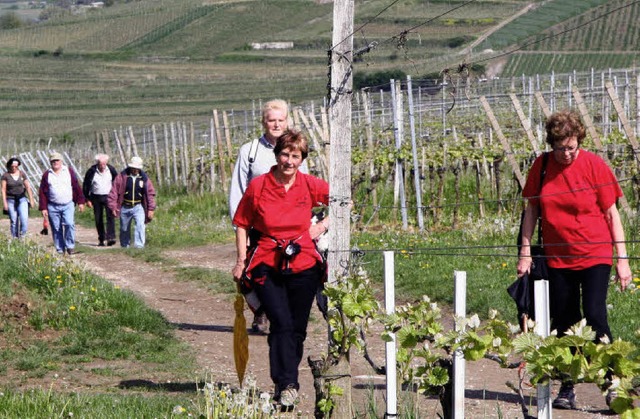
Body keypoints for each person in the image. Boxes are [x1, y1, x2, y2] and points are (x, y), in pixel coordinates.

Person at [516, 110, 632, 410]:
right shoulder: (541, 167)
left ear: (578, 140)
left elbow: (612, 214)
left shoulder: (594, 165)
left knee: (595, 317)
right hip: (557, 258)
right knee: (565, 322)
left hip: (595, 254)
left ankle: (613, 384)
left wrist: (623, 260)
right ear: (551, 143)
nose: (566, 154)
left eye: (572, 147)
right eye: (560, 148)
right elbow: (531, 211)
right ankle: (568, 386)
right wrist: (525, 252)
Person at [231, 130, 329, 407]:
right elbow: (241, 223)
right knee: (281, 323)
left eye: (295, 156)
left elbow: (345, 201)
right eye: (285, 154)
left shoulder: (310, 185)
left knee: (297, 328)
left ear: (302, 159)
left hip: (305, 263)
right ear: (276, 155)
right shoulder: (259, 186)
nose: (289, 161)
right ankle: (288, 384)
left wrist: (320, 226)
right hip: (266, 263)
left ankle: (283, 385)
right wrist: (241, 261)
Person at [229, 99, 310, 334]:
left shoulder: (296, 151)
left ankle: (281, 316)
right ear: (263, 122)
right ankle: (261, 310)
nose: (276, 124)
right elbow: (237, 191)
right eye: (271, 120)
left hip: (290, 226)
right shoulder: (250, 151)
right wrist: (239, 230)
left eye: (280, 120)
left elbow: (304, 187)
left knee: (287, 271)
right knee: (248, 275)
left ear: (287, 121)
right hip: (257, 226)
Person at [38, 152, 86, 255]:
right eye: (53, 161)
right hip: (52, 205)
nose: (55, 162)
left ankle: (70, 246)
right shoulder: (47, 174)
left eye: (57, 160)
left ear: (61, 161)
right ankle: (60, 249)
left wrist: (81, 202)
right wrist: (43, 207)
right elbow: (42, 192)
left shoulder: (69, 171)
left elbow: (76, 187)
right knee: (56, 227)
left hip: (68, 204)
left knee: (69, 223)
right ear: (50, 162)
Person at [108, 156, 156, 249]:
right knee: (124, 229)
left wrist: (151, 209)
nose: (135, 170)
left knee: (140, 225)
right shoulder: (121, 177)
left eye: (137, 168)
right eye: (134, 168)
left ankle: (139, 247)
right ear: (131, 167)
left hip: (138, 207)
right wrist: (113, 207)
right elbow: (113, 192)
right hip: (125, 207)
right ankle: (125, 247)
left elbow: (150, 194)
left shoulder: (144, 178)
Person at [83, 153, 118, 246]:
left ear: (106, 163)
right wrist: (87, 199)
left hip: (109, 196)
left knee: (110, 217)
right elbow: (86, 185)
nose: (102, 166)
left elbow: (117, 183)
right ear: (97, 163)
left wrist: (116, 197)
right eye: (100, 164)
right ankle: (101, 238)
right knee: (98, 218)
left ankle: (110, 237)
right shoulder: (91, 171)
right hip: (96, 197)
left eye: (104, 164)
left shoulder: (111, 170)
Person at [2, 157, 35, 238]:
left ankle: (22, 237)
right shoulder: (5, 176)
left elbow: (27, 187)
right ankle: (15, 238)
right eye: (12, 166)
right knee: (14, 221)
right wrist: (5, 203)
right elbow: (3, 189)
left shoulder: (22, 174)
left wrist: (31, 200)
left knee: (24, 219)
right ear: (9, 166)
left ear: (18, 166)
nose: (14, 168)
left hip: (21, 198)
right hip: (10, 199)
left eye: (16, 166)